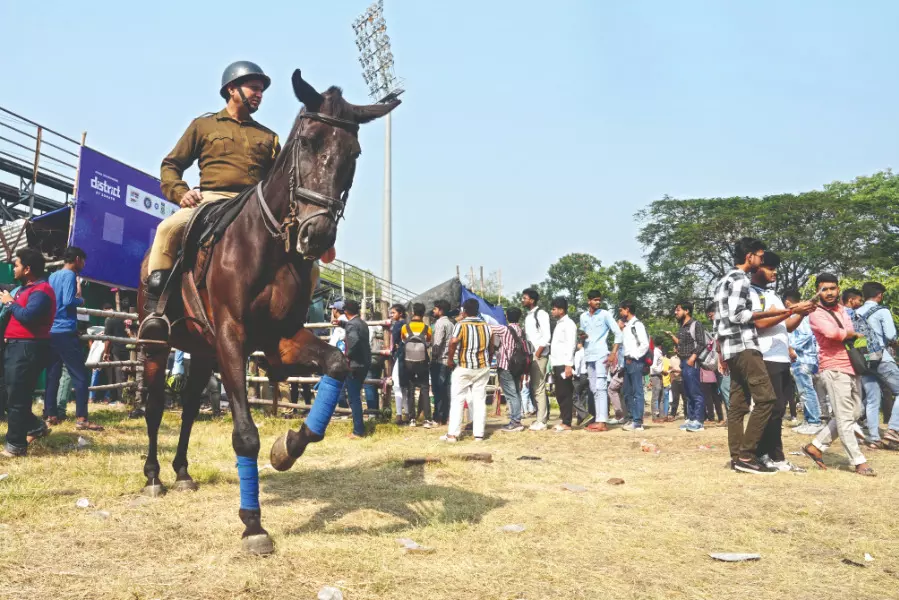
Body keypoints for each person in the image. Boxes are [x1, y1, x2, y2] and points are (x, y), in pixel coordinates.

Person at [143, 61, 281, 330]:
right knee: (167, 229)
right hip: (212, 199)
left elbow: (280, 181)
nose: (259, 94)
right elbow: (171, 165)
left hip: (255, 207)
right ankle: (155, 312)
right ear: (232, 89)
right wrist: (181, 193)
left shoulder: (269, 136)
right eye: (253, 88)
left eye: (262, 90)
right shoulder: (204, 125)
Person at [713, 237, 799, 474]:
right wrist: (776, 312)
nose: (762, 261)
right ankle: (747, 455)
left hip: (731, 349)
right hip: (745, 346)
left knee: (738, 406)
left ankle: (737, 457)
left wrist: (720, 352)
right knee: (767, 399)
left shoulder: (723, 280)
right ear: (749, 256)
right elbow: (738, 315)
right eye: (760, 256)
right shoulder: (740, 279)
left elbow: (718, 323)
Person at [802, 274, 876, 476]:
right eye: (824, 289)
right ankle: (858, 461)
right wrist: (851, 334)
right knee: (844, 417)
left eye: (832, 288)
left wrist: (848, 333)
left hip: (852, 365)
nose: (829, 292)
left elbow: (845, 330)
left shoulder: (842, 310)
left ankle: (816, 446)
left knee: (854, 413)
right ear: (818, 291)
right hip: (833, 367)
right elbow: (832, 333)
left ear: (838, 289)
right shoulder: (815, 313)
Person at [748, 251, 812, 472]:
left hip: (782, 357)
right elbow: (760, 324)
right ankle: (763, 454)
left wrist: (802, 313)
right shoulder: (752, 294)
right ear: (757, 267)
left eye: (775, 269)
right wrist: (792, 310)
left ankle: (776, 455)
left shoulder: (772, 295)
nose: (774, 273)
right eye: (770, 268)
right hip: (766, 356)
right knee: (771, 409)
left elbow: (787, 326)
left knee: (779, 409)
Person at [0, 249, 56, 457]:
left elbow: (29, 316)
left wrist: (10, 303)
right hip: (16, 347)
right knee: (10, 394)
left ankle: (15, 445)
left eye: (16, 265)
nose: (13, 268)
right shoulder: (24, 289)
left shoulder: (42, 291)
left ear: (27, 269)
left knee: (17, 397)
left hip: (28, 348)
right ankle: (35, 426)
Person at [43, 246, 103, 430]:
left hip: (51, 331)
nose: (83, 264)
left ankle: (50, 415)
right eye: (83, 261)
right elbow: (69, 301)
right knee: (80, 375)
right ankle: (82, 418)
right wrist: (81, 300)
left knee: (52, 375)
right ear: (77, 259)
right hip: (65, 331)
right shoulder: (70, 275)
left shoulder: (52, 276)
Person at [442, 298, 493, 442]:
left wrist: (450, 359)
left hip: (464, 366)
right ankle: (479, 434)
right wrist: (488, 360)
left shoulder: (461, 325)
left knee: (458, 399)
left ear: (464, 311)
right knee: (479, 400)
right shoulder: (487, 326)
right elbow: (491, 347)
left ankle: (453, 434)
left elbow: (453, 341)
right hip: (482, 367)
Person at [857, 281, 899, 446]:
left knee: (873, 398)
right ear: (879, 295)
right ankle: (894, 429)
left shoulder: (856, 312)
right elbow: (891, 335)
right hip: (881, 357)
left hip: (863, 359)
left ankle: (874, 438)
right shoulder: (882, 311)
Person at [579, 290, 622, 432]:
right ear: (589, 301)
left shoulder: (605, 314)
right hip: (588, 354)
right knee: (593, 388)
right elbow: (583, 335)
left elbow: (618, 333)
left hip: (601, 354)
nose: (598, 302)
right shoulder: (583, 316)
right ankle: (599, 419)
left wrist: (613, 353)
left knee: (601, 387)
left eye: (599, 300)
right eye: (595, 300)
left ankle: (602, 422)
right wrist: (582, 337)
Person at [782, 289, 823, 435]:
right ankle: (808, 420)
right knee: (803, 391)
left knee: (806, 390)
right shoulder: (799, 316)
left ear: (787, 302)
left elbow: (807, 335)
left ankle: (814, 421)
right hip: (801, 358)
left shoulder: (799, 316)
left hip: (803, 358)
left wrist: (792, 347)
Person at [666, 301, 707, 432]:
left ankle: (699, 421)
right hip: (683, 362)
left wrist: (693, 358)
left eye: (678, 310)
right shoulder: (682, 326)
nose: (675, 312)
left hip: (691, 362)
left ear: (687, 311)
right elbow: (682, 343)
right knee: (688, 393)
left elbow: (702, 343)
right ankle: (690, 418)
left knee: (695, 391)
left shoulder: (695, 324)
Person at [493, 307, 528, 432]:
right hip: (517, 366)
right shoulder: (521, 330)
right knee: (516, 393)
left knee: (511, 394)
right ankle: (516, 419)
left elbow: (488, 328)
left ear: (507, 316)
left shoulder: (504, 329)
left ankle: (515, 421)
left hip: (506, 365)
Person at [522, 288, 552, 430]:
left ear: (532, 300)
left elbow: (547, 336)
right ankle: (540, 418)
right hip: (531, 355)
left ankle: (542, 421)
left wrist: (538, 353)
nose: (522, 300)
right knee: (534, 388)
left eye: (525, 298)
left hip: (539, 355)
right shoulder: (529, 315)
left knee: (539, 388)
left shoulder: (541, 314)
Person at [618, 301, 649, 431]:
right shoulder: (626, 326)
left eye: (621, 310)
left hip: (635, 362)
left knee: (637, 392)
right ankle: (631, 418)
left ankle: (638, 421)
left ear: (627, 309)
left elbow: (645, 344)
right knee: (627, 392)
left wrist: (634, 356)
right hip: (627, 362)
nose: (620, 313)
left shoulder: (637, 325)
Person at [400, 303, 433, 428]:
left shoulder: (405, 327)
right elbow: (428, 342)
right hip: (422, 361)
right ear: (423, 314)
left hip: (408, 361)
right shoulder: (427, 328)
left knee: (411, 389)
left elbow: (403, 340)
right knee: (424, 389)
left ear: (413, 312)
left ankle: (412, 419)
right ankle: (427, 419)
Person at [548, 297, 577, 431]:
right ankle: (564, 420)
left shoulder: (569, 324)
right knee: (560, 393)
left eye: (554, 309)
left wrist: (568, 365)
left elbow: (571, 344)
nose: (552, 311)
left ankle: (567, 422)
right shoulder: (559, 324)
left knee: (565, 393)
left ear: (561, 310)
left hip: (564, 363)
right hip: (557, 362)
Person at [342, 300, 370, 439]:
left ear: (345, 311)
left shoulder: (351, 325)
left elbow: (354, 340)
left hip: (354, 365)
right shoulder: (362, 323)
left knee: (354, 398)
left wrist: (347, 355)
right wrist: (341, 324)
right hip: (364, 363)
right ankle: (358, 428)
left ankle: (358, 430)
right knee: (356, 396)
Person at [430, 300, 454, 425]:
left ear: (440, 310)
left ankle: (437, 417)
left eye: (435, 309)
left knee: (438, 390)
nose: (433, 311)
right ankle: (446, 416)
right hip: (448, 361)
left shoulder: (440, 323)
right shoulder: (451, 323)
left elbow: (437, 344)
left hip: (440, 361)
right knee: (446, 390)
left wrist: (433, 359)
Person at [102, 302, 131, 402]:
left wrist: (106, 353)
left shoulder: (109, 319)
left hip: (117, 350)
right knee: (128, 374)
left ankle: (121, 398)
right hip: (128, 348)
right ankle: (128, 396)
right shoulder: (123, 316)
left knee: (118, 375)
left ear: (105, 310)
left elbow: (108, 339)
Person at [387, 304, 408, 424]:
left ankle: (399, 415)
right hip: (408, 356)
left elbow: (394, 340)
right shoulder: (407, 323)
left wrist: (392, 348)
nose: (391, 315)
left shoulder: (398, 325)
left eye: (393, 313)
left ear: (400, 313)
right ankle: (407, 413)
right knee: (404, 386)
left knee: (397, 385)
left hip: (400, 355)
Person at [572, 339, 593, 426]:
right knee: (583, 397)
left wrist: (575, 374)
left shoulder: (579, 353)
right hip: (588, 376)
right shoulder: (589, 352)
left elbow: (577, 366)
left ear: (580, 343)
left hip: (580, 376)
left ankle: (585, 415)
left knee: (574, 397)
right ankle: (581, 419)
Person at [649, 336, 665, 422]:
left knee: (661, 397)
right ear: (661, 344)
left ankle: (662, 415)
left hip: (659, 375)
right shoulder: (655, 352)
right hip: (655, 376)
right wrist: (662, 371)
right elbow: (653, 366)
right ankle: (655, 417)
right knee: (655, 397)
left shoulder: (659, 352)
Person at [666, 352, 683, 421]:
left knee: (685, 398)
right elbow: (670, 369)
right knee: (675, 398)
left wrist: (676, 370)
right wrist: (671, 379)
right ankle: (673, 415)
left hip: (684, 380)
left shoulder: (685, 358)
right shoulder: (672, 359)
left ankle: (687, 415)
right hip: (675, 381)